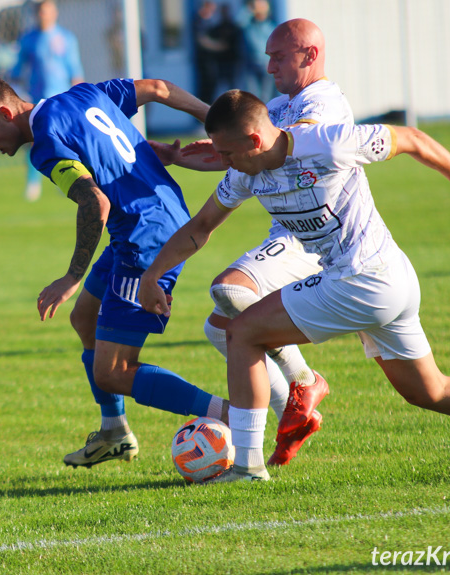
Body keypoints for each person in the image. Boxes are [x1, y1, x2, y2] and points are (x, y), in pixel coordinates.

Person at [139, 89, 450, 482]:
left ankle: (247, 467)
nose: (221, 161)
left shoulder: (327, 143)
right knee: (428, 391)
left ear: (255, 140)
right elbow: (201, 227)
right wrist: (152, 274)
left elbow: (411, 138)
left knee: (240, 332)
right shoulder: (246, 175)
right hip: (386, 281)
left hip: (363, 280)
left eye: (225, 153)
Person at [0, 75, 229, 468]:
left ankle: (230, 415)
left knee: (113, 372)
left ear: (4, 113)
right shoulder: (85, 93)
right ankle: (114, 432)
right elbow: (157, 88)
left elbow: (94, 203)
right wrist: (212, 119)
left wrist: (71, 276)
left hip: (145, 239)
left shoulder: (46, 145)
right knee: (84, 318)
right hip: (145, 221)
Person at [152, 18, 352, 467]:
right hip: (290, 230)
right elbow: (243, 151)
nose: (268, 65)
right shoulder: (281, 104)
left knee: (231, 291)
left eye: (278, 56)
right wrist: (180, 156)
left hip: (315, 235)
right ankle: (291, 415)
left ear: (309, 55)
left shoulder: (322, 106)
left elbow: (271, 151)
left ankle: (304, 380)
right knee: (219, 328)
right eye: (266, 55)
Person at [9, 0, 84, 202]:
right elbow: (16, 72)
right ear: (36, 14)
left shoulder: (66, 38)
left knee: (65, 142)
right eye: (42, 12)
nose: (45, 15)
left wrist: (79, 98)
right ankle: (33, 183)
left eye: (48, 11)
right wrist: (18, 93)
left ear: (55, 12)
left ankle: (67, 179)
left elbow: (75, 71)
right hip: (36, 100)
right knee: (34, 141)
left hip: (60, 100)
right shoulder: (28, 39)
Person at [236, 0, 277, 102]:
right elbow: (238, 22)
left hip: (266, 65)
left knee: (266, 96)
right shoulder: (249, 25)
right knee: (252, 96)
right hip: (250, 64)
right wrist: (250, 9)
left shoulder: (270, 26)